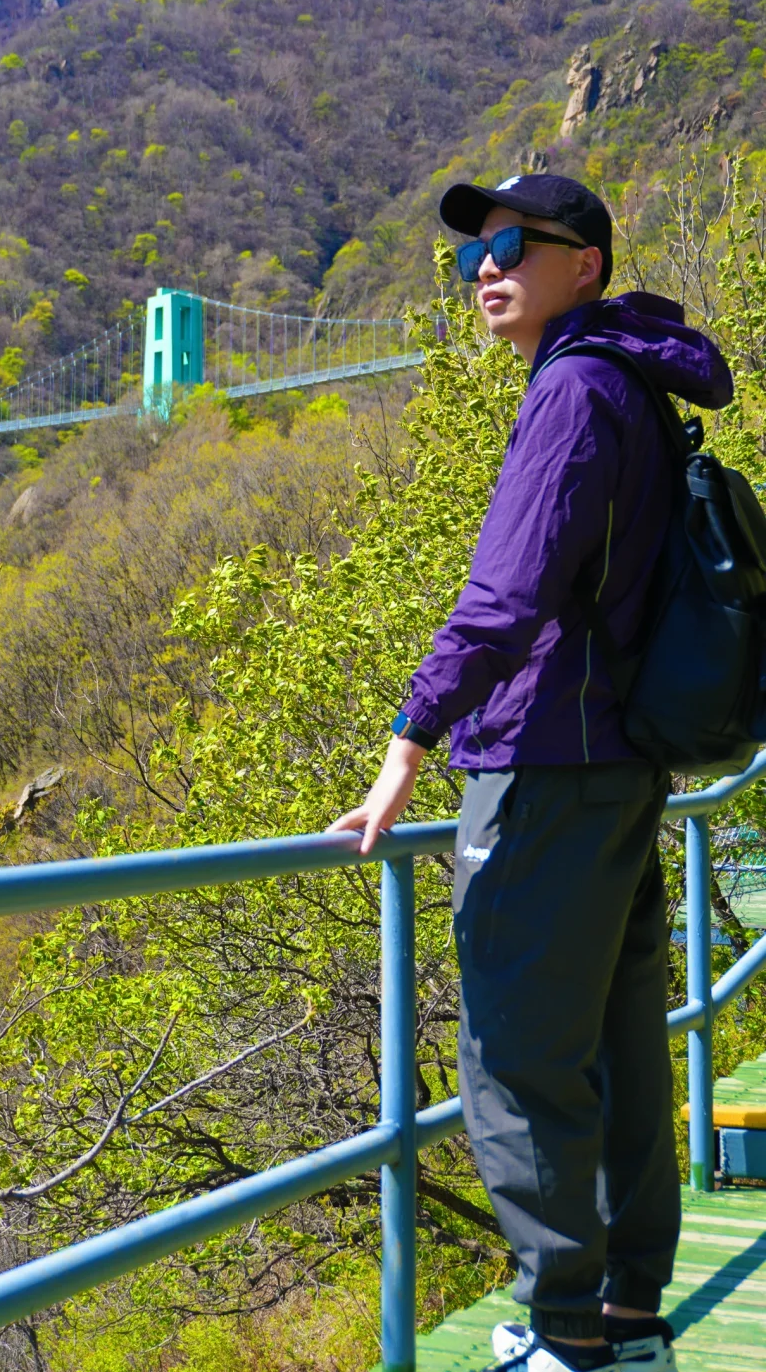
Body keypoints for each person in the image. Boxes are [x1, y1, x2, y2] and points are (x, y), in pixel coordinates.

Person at [331, 173, 733, 1372]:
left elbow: (506, 595)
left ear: (586, 266)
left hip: (547, 763)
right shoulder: (631, 384)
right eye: (472, 256)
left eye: (513, 244)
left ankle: (559, 1326)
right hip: (617, 766)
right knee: (615, 1041)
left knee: (512, 1051)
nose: (485, 269)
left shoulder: (572, 392)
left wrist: (413, 736)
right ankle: (625, 1315)